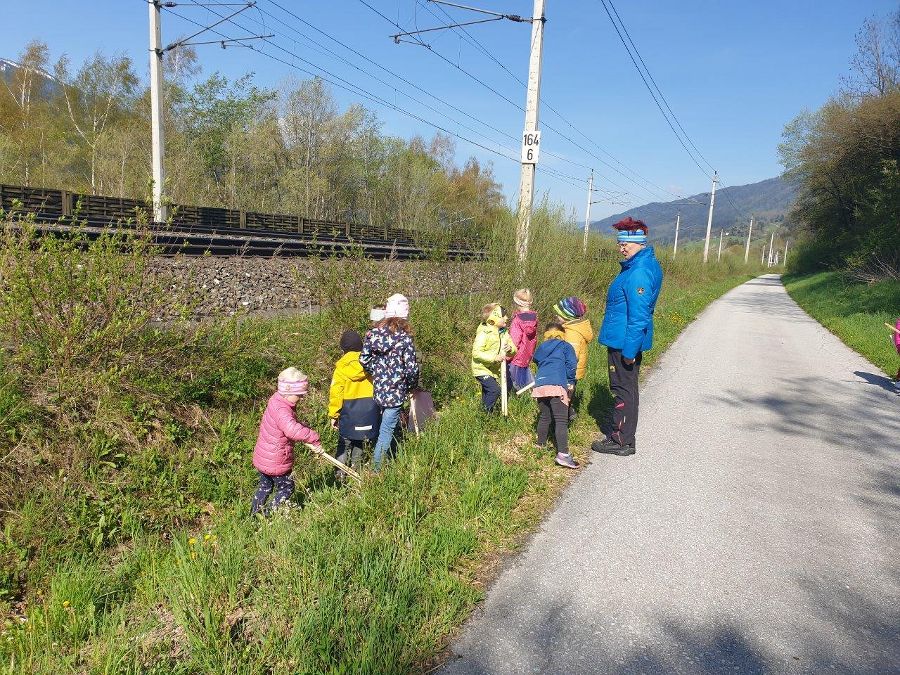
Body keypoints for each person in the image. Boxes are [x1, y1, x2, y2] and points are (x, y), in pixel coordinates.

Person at [592, 217, 663, 457]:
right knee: (627, 388)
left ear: (640, 243)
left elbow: (639, 316)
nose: (621, 248)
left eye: (626, 244)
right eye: (620, 243)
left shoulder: (639, 272)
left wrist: (630, 352)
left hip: (624, 342)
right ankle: (625, 439)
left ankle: (620, 440)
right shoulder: (639, 266)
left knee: (623, 390)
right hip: (622, 338)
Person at [359, 293, 420, 470]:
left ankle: (390, 458)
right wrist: (411, 385)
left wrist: (377, 372)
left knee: (386, 427)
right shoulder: (404, 338)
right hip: (396, 393)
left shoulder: (373, 334)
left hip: (379, 391)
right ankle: (376, 470)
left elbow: (363, 359)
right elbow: (412, 368)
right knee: (386, 431)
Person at [250, 367, 322, 515]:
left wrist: (302, 427)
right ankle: (269, 513)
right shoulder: (282, 410)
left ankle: (254, 515)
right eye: (299, 395)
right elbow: (291, 429)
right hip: (276, 460)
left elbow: (289, 424)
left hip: (264, 458)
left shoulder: (276, 401)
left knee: (265, 487)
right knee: (287, 487)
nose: (301, 398)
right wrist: (313, 437)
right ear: (288, 392)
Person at [328, 330, 380, 474]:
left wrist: (334, 415)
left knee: (344, 443)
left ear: (343, 349)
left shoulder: (341, 368)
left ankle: (340, 474)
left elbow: (336, 393)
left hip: (349, 412)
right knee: (361, 441)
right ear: (361, 347)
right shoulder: (369, 364)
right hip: (370, 411)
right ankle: (357, 470)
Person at [532, 319, 579, 469]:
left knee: (545, 417)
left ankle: (540, 445)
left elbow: (536, 360)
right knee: (561, 421)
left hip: (540, 385)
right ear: (562, 335)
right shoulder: (565, 346)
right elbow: (571, 364)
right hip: (557, 385)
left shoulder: (541, 347)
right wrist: (570, 380)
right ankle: (563, 455)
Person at [553, 296, 593, 422]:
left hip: (569, 370)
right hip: (572, 369)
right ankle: (568, 412)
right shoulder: (572, 329)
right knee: (568, 391)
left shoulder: (572, 333)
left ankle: (563, 417)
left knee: (566, 392)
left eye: (559, 314)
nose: (556, 316)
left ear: (567, 316)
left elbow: (571, 355)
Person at [471, 303, 516, 412]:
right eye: (503, 316)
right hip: (481, 368)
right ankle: (484, 415)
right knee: (494, 390)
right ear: (494, 318)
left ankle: (484, 418)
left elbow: (514, 350)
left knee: (487, 394)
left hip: (493, 370)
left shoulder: (504, 333)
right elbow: (476, 353)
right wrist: (494, 358)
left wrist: (510, 349)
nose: (506, 318)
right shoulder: (484, 332)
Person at [508, 288, 538, 390]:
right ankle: (536, 394)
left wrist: (507, 354)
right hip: (527, 354)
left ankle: (536, 394)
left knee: (516, 382)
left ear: (517, 302)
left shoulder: (518, 320)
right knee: (524, 376)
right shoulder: (533, 318)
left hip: (516, 355)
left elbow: (515, 340)